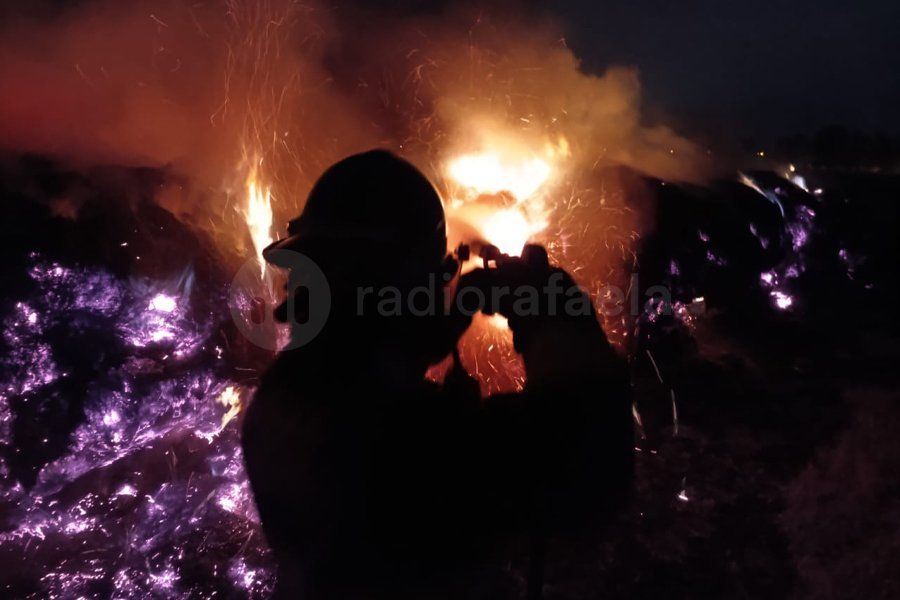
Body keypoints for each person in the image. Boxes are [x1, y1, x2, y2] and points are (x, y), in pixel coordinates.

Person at [241, 150, 633, 599]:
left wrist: (421, 340)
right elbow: (591, 467)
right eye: (428, 282)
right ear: (399, 284)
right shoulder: (410, 438)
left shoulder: (287, 395)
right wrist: (552, 311)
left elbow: (360, 359)